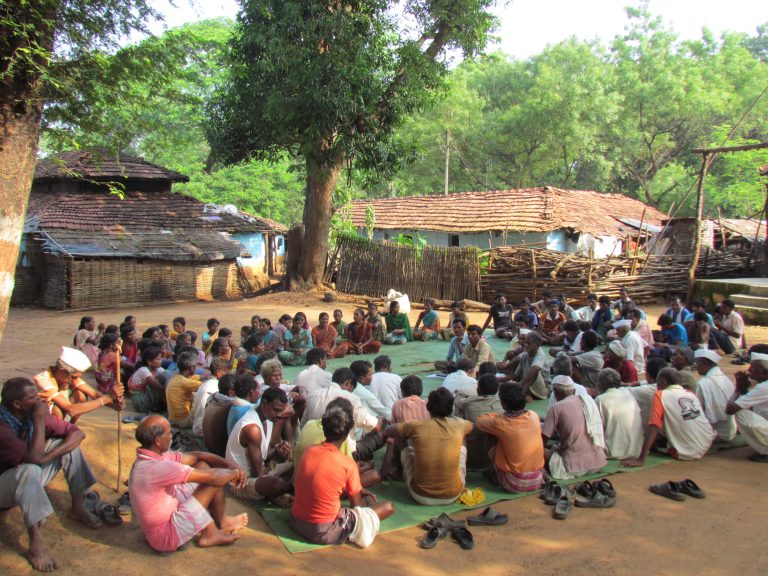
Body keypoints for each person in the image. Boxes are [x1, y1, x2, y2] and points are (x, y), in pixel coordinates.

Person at [0, 377, 103, 572]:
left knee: (66, 446)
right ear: (17, 404)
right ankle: (36, 544)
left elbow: (77, 433)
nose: (39, 399)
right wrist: (39, 419)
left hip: (29, 470)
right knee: (29, 470)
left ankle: (77, 506)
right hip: (5, 485)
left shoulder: (30, 414)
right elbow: (32, 458)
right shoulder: (3, 428)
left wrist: (47, 459)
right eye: (32, 397)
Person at [129, 415, 248, 554]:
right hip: (165, 537)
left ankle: (217, 525)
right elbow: (213, 478)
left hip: (160, 525)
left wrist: (230, 465)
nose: (171, 435)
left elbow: (197, 456)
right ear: (157, 441)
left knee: (202, 466)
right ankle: (211, 534)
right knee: (212, 481)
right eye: (169, 433)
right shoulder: (157, 468)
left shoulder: (152, 457)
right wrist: (235, 473)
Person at [291, 399, 394, 547]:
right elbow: (356, 506)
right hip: (323, 531)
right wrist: (365, 500)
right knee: (388, 506)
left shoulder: (310, 451)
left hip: (296, 522)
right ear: (346, 435)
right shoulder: (347, 464)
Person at [383, 388, 472, 505]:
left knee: (399, 435)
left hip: (419, 494)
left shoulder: (416, 426)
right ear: (451, 408)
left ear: (428, 407)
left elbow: (388, 431)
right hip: (452, 494)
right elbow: (472, 427)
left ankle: (397, 472)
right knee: (463, 437)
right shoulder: (460, 424)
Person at [622, 368, 715, 466]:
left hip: (688, 451)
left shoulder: (660, 394)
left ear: (664, 382)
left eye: (657, 382)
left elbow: (654, 426)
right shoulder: (690, 394)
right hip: (706, 443)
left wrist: (640, 460)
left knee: (645, 440)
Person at [225, 387, 293, 505]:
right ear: (264, 403)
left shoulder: (263, 416)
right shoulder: (252, 429)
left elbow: (263, 459)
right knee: (278, 484)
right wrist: (273, 469)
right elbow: (259, 474)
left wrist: (276, 451)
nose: (279, 415)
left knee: (296, 467)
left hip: (256, 474)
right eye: (276, 410)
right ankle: (275, 495)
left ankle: (276, 492)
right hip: (241, 483)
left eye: (281, 411)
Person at [476, 382, 545, 492]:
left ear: (503, 404)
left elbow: (479, 421)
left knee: (490, 434)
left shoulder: (499, 422)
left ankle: (494, 473)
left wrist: (496, 415)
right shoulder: (533, 415)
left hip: (513, 483)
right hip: (537, 479)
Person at [34, 346, 123, 422]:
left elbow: (94, 394)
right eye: (73, 377)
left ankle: (65, 428)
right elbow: (70, 409)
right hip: (37, 421)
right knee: (57, 411)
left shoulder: (67, 377)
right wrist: (108, 398)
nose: (75, 380)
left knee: (80, 396)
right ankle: (54, 436)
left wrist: (113, 404)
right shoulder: (43, 381)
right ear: (62, 371)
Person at [541, 377, 607, 479]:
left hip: (572, 467)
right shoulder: (589, 401)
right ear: (574, 391)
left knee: (539, 450)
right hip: (597, 463)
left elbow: (542, 442)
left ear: (555, 393)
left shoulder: (556, 408)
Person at [725, 352, 768, 462]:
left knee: (741, 413)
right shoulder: (762, 385)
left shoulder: (764, 387)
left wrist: (738, 389)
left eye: (753, 369)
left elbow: (730, 409)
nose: (748, 371)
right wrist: (743, 390)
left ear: (765, 373)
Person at [455, 374, 502, 471]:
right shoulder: (503, 403)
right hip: (496, 459)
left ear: (478, 390)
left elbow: (458, 404)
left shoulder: (466, 403)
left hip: (472, 459)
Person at [595, 368, 643, 459]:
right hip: (636, 449)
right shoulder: (629, 395)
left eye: (598, 381)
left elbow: (597, 428)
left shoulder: (601, 399)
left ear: (603, 384)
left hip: (612, 451)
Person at [693, 349, 736, 442]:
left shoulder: (704, 383)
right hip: (731, 429)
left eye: (697, 363)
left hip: (718, 432)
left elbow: (698, 411)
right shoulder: (726, 378)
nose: (696, 366)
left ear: (705, 362)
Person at [191, 358, 231, 437]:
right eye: (227, 373)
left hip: (197, 426)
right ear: (219, 373)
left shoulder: (206, 383)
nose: (228, 375)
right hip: (202, 430)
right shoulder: (216, 388)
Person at [165, 350, 203, 428]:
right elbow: (205, 386)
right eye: (195, 366)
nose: (196, 368)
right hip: (183, 421)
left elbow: (197, 377)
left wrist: (203, 377)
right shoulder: (184, 382)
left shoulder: (176, 376)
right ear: (191, 368)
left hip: (173, 419)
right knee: (203, 400)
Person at [128, 346, 167, 415]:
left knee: (165, 377)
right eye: (158, 359)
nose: (160, 361)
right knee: (157, 384)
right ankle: (159, 406)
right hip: (139, 401)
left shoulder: (157, 369)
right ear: (149, 361)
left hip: (147, 396)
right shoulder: (144, 370)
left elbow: (168, 374)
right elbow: (158, 387)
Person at [511, 332, 550, 400]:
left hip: (544, 388)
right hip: (527, 384)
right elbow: (516, 375)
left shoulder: (540, 354)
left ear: (537, 345)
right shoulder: (525, 355)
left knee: (535, 371)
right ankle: (524, 393)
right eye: (525, 342)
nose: (525, 345)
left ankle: (522, 393)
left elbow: (535, 369)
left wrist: (520, 384)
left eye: (529, 343)